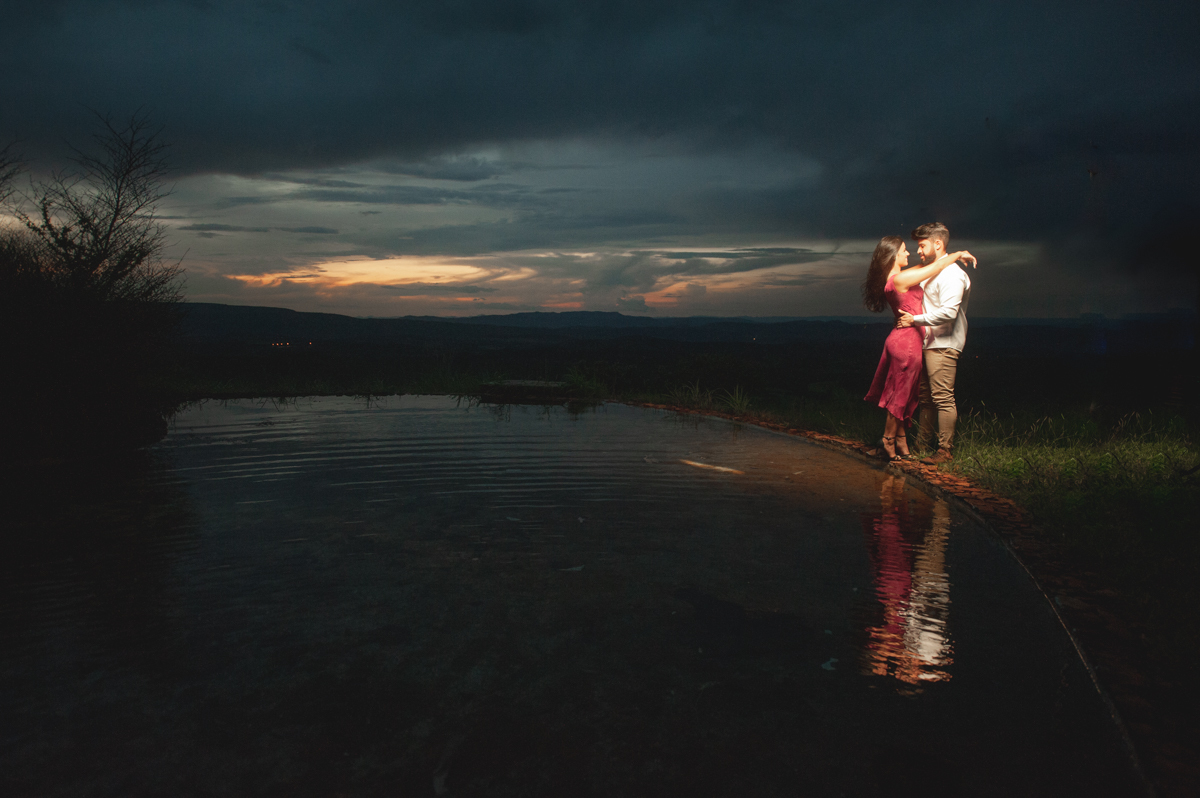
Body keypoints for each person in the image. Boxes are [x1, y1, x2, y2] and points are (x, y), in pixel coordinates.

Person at [862, 236, 976, 461]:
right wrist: (958, 253)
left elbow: (928, 267)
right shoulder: (900, 278)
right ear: (894, 255)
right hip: (907, 342)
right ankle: (887, 440)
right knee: (901, 395)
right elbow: (936, 266)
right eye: (904, 251)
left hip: (905, 339)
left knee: (905, 393)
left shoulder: (897, 276)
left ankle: (902, 443)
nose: (909, 253)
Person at [897, 223, 972, 465]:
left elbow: (949, 312)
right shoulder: (937, 270)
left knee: (942, 397)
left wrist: (914, 320)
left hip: (945, 342)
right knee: (927, 398)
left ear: (937, 244)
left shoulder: (953, 275)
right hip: (931, 342)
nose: (918, 251)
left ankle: (945, 450)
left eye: (922, 245)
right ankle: (922, 444)